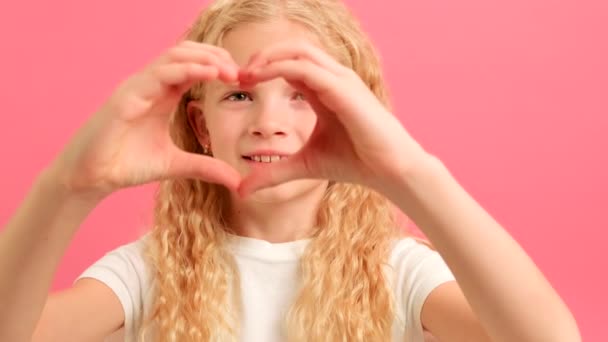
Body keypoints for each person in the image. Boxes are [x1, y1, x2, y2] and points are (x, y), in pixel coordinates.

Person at [0, 0, 581, 341]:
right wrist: (66, 188)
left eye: (301, 95)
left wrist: (409, 172)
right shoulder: (149, 272)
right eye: (239, 97)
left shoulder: (396, 272)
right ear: (201, 127)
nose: (268, 123)